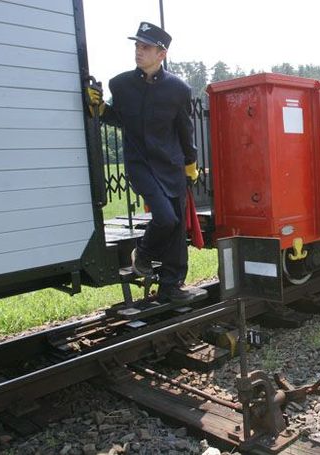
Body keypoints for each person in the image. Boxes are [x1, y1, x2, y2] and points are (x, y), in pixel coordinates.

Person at [86, 22, 203, 304]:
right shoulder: (121, 84)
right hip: (141, 166)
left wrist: (191, 162)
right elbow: (119, 119)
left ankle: (171, 287)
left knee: (176, 230)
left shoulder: (179, 89)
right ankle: (144, 254)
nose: (139, 51)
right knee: (165, 218)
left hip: (172, 167)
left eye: (145, 47)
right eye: (137, 46)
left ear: (161, 54)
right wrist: (100, 109)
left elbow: (184, 129)